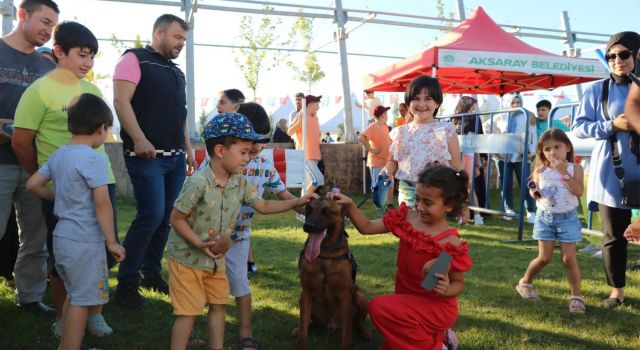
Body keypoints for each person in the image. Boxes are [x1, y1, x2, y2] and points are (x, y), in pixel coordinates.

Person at [167, 112, 313, 350]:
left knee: (219, 304)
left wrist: (295, 202)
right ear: (221, 151)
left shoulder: (240, 182)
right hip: (187, 260)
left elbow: (264, 205)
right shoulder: (198, 182)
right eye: (244, 152)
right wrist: (197, 242)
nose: (248, 158)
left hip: (216, 260)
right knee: (188, 312)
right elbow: (177, 218)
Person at [13, 20, 118, 337]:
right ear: (59, 52)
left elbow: (103, 135)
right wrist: (43, 179)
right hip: (63, 185)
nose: (87, 63)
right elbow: (21, 141)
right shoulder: (38, 91)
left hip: (102, 181)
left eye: (92, 57)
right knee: (63, 256)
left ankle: (94, 313)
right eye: (82, 55)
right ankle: (64, 314)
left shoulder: (91, 89)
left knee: (100, 250)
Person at [25, 94, 126, 350]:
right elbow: (102, 203)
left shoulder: (60, 155)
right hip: (84, 242)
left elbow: (33, 184)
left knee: (75, 296)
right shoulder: (94, 159)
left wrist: (61, 198)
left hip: (61, 238)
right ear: (101, 128)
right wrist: (112, 241)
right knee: (83, 301)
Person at [332, 164, 471, 350]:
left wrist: (446, 289)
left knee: (378, 307)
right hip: (405, 302)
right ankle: (439, 338)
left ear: (449, 205)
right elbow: (366, 227)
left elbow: (458, 284)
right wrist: (349, 205)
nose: (420, 207)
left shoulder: (450, 242)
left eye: (428, 203)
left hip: (435, 307)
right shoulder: (407, 218)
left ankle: (438, 345)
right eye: (417, 199)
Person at [112, 14, 198, 309]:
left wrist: (188, 149)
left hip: (174, 159)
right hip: (146, 157)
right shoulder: (133, 59)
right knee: (150, 216)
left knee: (165, 219)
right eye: (176, 37)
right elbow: (121, 101)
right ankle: (126, 283)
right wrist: (138, 138)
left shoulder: (177, 73)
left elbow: (181, 116)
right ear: (158, 32)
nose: (180, 44)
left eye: (184, 40)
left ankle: (151, 273)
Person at [224, 103, 305, 350]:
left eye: (262, 140)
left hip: (238, 237)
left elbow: (284, 196)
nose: (258, 147)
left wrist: (311, 207)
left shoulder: (264, 165)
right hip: (206, 237)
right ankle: (193, 329)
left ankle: (245, 334)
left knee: (240, 283)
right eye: (251, 140)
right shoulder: (219, 161)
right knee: (201, 286)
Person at [572, 31, 640, 309]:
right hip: (612, 175)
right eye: (611, 56)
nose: (617, 60)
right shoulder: (596, 90)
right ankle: (617, 292)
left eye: (624, 54)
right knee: (614, 236)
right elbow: (579, 127)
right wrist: (612, 125)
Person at [0, 0, 58, 316]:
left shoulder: (48, 68)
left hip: (35, 165)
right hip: (1, 163)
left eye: (52, 26)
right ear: (22, 15)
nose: (48, 31)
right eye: (44, 21)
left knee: (36, 235)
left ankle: (31, 296)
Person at [515, 128, 585, 313]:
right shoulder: (540, 170)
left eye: (557, 147)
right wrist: (534, 191)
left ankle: (576, 296)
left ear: (567, 147)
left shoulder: (575, 168)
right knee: (544, 258)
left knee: (568, 258)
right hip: (545, 218)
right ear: (541, 152)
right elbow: (534, 188)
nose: (552, 152)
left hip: (567, 218)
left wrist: (564, 172)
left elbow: (578, 191)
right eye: (547, 149)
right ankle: (525, 283)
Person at [381, 75, 462, 211]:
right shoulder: (400, 132)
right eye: (416, 99)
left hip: (436, 192)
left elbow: (456, 167)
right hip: (407, 191)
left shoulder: (447, 129)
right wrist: (386, 171)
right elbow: (393, 161)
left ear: (437, 103)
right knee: (407, 228)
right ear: (408, 103)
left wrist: (462, 202)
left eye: (428, 99)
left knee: (430, 231)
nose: (422, 104)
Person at [488, 94, 537, 223]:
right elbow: (487, 126)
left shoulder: (527, 115)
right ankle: (508, 209)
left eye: (518, 102)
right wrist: (495, 143)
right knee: (506, 183)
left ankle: (531, 210)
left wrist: (531, 151)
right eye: (513, 102)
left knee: (526, 183)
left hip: (521, 155)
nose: (515, 105)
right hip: (503, 156)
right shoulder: (500, 116)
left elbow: (532, 134)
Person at [453, 96, 485, 225]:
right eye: (457, 124)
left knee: (470, 187)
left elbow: (476, 148)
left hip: (469, 160)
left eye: (461, 124)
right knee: (458, 188)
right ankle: (461, 214)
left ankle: (477, 215)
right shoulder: (454, 130)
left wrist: (478, 165)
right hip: (457, 159)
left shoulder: (472, 133)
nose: (459, 126)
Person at [359, 105, 394, 210]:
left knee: (390, 183)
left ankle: (389, 205)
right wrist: (371, 149)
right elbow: (361, 137)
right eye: (386, 113)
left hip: (387, 161)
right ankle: (378, 208)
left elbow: (387, 140)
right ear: (383, 114)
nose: (387, 115)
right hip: (376, 161)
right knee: (377, 185)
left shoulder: (385, 126)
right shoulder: (373, 126)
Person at [287, 94, 324, 195]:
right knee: (318, 179)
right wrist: (299, 122)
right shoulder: (302, 115)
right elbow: (290, 132)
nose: (319, 107)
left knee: (307, 183)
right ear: (311, 104)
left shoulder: (315, 117)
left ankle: (302, 209)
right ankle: (303, 202)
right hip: (306, 155)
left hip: (315, 155)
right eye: (317, 104)